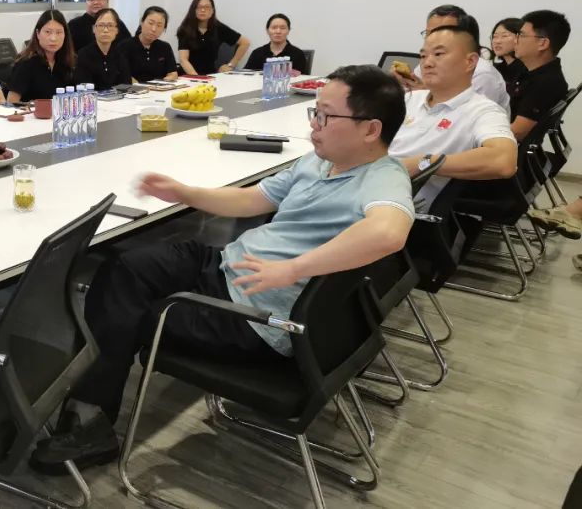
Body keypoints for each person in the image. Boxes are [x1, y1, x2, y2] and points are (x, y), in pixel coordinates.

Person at [29, 65, 413, 473]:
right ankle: (87, 409)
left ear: (370, 129)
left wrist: (293, 269)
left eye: (325, 116)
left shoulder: (382, 177)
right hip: (228, 266)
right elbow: (253, 201)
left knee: (124, 312)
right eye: (314, 112)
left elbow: (389, 232)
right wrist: (183, 192)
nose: (314, 124)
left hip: (252, 315)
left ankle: (90, 425)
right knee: (125, 269)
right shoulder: (320, 162)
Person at [388, 25, 516, 209]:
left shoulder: (483, 111)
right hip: (365, 179)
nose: (427, 63)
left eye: (438, 54)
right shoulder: (410, 99)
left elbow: (503, 161)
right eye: (423, 56)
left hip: (393, 203)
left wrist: (424, 163)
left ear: (470, 61)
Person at [392, 5, 510, 112]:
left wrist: (426, 94)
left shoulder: (483, 74)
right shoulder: (427, 62)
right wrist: (400, 84)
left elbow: (464, 118)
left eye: (443, 31)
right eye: (429, 33)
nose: (433, 37)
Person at [509, 9, 571, 141]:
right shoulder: (532, 72)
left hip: (504, 149)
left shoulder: (546, 83)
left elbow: (517, 132)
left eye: (521, 35)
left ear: (543, 43)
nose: (515, 40)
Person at [6, 10, 76, 104]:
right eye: (48, 32)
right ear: (38, 33)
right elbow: (11, 102)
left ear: (65, 35)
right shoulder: (26, 63)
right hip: (31, 112)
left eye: (59, 32)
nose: (53, 38)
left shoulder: (71, 61)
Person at [175, 0, 249, 75]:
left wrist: (231, 65)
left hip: (210, 74)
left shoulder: (219, 28)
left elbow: (245, 43)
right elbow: (183, 60)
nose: (203, 10)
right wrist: (198, 78)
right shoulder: (185, 30)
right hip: (188, 75)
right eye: (199, 7)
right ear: (193, 10)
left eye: (207, 7)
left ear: (212, 11)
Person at [73, 8, 132, 90]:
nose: (105, 30)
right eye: (101, 25)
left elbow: (126, 84)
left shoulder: (121, 54)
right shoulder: (83, 55)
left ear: (117, 30)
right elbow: (83, 86)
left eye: (110, 25)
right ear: (94, 29)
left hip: (118, 97)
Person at [120, 6, 179, 83]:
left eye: (159, 25)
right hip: (134, 88)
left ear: (164, 29)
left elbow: (173, 74)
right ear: (142, 22)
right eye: (151, 23)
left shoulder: (165, 47)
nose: (154, 29)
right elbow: (124, 75)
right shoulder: (125, 46)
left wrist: (161, 84)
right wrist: (142, 87)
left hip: (159, 88)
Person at [67, 0, 131, 53]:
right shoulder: (74, 24)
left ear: (107, 2)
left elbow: (127, 46)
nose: (96, 2)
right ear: (86, 3)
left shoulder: (116, 23)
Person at [244, 13, 310, 75]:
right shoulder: (257, 53)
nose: (278, 31)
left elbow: (303, 80)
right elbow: (246, 75)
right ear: (267, 30)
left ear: (288, 31)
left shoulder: (298, 54)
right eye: (274, 28)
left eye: (282, 28)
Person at [490, 17, 526, 87]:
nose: (497, 41)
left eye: (504, 36)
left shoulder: (528, 68)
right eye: (495, 36)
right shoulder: (494, 70)